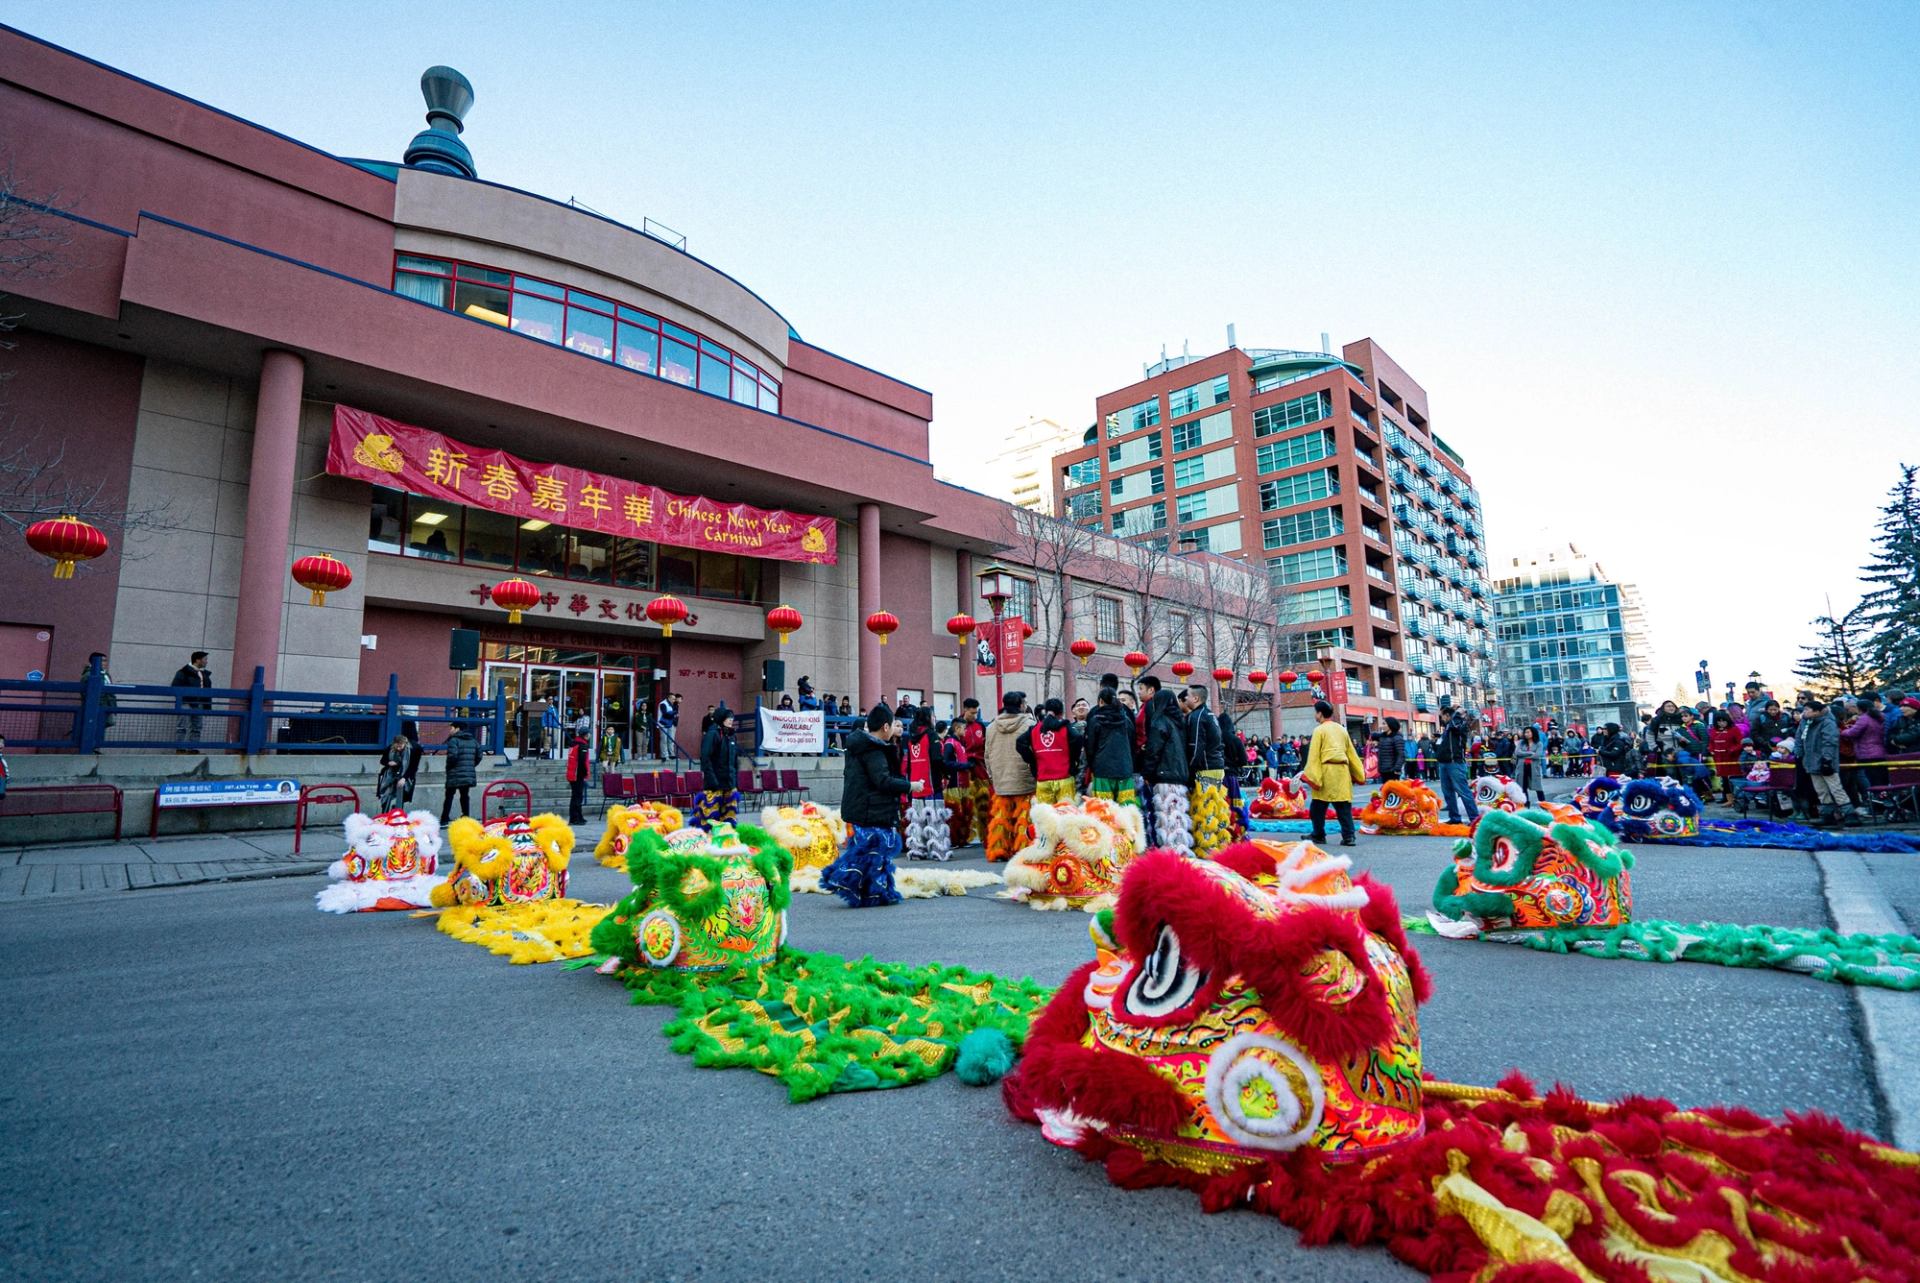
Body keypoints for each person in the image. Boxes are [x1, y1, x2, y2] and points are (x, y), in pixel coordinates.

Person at [820, 702, 911, 907]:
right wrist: (910, 786)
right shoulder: (873, 750)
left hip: (863, 807)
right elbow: (883, 781)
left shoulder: (858, 745)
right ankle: (845, 880)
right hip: (871, 808)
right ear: (886, 727)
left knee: (873, 854)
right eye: (894, 725)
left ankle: (876, 893)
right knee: (874, 852)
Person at [1302, 700, 1366, 847]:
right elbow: (1351, 753)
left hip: (1326, 772)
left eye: (1316, 712)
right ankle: (1349, 837)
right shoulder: (1342, 729)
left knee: (1317, 808)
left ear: (1320, 713)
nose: (1315, 715)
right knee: (1343, 807)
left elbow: (1314, 756)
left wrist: (1312, 776)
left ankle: (1318, 835)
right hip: (1342, 772)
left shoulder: (1319, 730)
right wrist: (1358, 772)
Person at [1140, 679, 1192, 857]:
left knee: (1166, 821)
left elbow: (1154, 750)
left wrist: (1147, 772)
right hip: (1180, 777)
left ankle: (1170, 858)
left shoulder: (1159, 722)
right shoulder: (1179, 723)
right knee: (1178, 820)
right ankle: (1182, 854)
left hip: (1164, 777)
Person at [983, 692, 1037, 862]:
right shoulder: (1029, 724)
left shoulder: (991, 727)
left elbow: (987, 755)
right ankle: (1023, 850)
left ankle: (998, 850)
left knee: (1000, 817)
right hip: (1024, 778)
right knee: (1024, 817)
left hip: (1001, 778)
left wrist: (992, 774)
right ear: (1021, 705)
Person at [1182, 685, 1229, 856]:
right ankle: (1220, 846)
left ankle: (1207, 850)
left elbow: (1196, 747)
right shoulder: (1210, 715)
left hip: (1205, 769)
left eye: (1187, 696)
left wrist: (1190, 770)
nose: (1185, 699)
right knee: (1217, 809)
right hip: (1217, 767)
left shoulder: (1197, 716)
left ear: (1195, 699)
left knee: (1204, 810)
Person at [902, 706, 951, 861]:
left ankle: (917, 850)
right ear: (928, 718)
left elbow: (909, 761)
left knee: (917, 819)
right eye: (933, 716)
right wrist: (946, 772)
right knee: (934, 817)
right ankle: (938, 850)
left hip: (916, 783)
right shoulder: (931, 735)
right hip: (931, 782)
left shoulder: (911, 737)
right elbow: (937, 759)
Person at [1016, 696, 1082, 808]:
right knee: (1066, 815)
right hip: (1064, 779)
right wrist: (1073, 759)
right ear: (1061, 713)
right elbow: (1078, 739)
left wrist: (1033, 761)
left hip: (1043, 780)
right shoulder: (1066, 728)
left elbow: (1019, 743)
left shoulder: (1034, 729)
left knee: (1046, 818)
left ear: (1046, 711)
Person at [1797, 698, 1848, 826]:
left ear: (1817, 712)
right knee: (1821, 790)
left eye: (1808, 710)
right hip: (1810, 760)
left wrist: (1827, 759)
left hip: (1826, 760)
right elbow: (1799, 737)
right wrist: (1798, 753)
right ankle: (1827, 814)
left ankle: (1849, 813)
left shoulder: (1827, 722)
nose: (1805, 712)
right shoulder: (1805, 722)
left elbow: (1829, 741)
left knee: (1835, 787)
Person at [1084, 685, 1138, 805]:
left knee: (1104, 810)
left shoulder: (1095, 720)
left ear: (1100, 701)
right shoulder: (1126, 720)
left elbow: (1090, 748)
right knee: (1126, 810)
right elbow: (1133, 745)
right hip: (1125, 769)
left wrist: (1092, 767)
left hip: (1102, 770)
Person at [1433, 707, 1480, 826]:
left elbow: (1457, 726)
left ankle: (1475, 819)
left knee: (1463, 791)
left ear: (1448, 715)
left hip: (1455, 762)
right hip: (1444, 762)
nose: (1441, 718)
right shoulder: (1448, 727)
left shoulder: (1458, 723)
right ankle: (1454, 818)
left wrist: (1457, 714)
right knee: (1448, 792)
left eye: (1442, 716)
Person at [697, 704, 739, 826]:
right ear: (721, 719)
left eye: (732, 718)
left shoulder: (731, 736)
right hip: (715, 783)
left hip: (729, 783)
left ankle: (727, 839)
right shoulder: (713, 734)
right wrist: (712, 780)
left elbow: (735, 760)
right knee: (711, 816)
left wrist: (736, 780)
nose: (731, 720)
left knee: (729, 816)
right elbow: (705, 758)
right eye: (729, 718)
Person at [956, 698, 989, 844]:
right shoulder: (958, 726)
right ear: (965, 710)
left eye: (976, 713)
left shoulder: (980, 726)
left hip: (980, 768)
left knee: (984, 801)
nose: (974, 716)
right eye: (972, 713)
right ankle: (967, 835)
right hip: (965, 769)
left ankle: (984, 834)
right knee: (966, 802)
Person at [940, 718, 976, 847]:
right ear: (957, 729)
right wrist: (964, 765)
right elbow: (946, 763)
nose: (966, 731)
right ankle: (955, 840)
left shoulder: (959, 742)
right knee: (955, 813)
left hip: (964, 783)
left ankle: (963, 839)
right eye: (964, 728)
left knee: (966, 812)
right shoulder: (950, 743)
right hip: (955, 784)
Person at [169, 650, 213, 750]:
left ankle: (193, 749)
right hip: (186, 703)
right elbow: (175, 687)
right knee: (181, 727)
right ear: (198, 660)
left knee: (197, 727)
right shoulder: (183, 672)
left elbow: (207, 691)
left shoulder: (203, 674)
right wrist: (186, 699)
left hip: (199, 703)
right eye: (205, 659)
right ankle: (180, 749)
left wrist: (206, 705)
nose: (206, 662)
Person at [439, 721, 480, 822]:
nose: (450, 730)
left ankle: (444, 818)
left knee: (449, 796)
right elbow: (479, 756)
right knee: (464, 795)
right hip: (467, 773)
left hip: (454, 772)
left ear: (457, 729)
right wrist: (470, 765)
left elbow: (452, 756)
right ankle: (466, 816)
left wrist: (449, 767)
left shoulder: (454, 740)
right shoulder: (473, 740)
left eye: (452, 728)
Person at [1707, 711, 1744, 805]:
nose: (1721, 723)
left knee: (1733, 778)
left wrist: (1732, 750)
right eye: (1719, 721)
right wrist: (1711, 750)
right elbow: (1711, 742)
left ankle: (1737, 798)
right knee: (1724, 779)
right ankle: (1729, 799)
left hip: (1731, 758)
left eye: (1723, 721)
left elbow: (1741, 743)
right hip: (1719, 758)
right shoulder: (1713, 730)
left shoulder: (1734, 729)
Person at [1513, 725, 1547, 803]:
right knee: (1523, 787)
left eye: (1528, 732)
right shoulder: (1521, 742)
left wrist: (1524, 754)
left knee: (1538, 788)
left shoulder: (1539, 743)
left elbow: (1537, 755)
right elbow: (1517, 752)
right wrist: (1530, 753)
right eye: (1525, 732)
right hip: (1522, 767)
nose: (1526, 734)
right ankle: (1526, 805)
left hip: (1533, 768)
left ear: (1533, 733)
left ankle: (1544, 805)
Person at [565, 729, 592, 824]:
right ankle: (575, 818)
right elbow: (582, 762)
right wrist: (585, 774)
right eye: (589, 734)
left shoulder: (574, 743)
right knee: (577, 797)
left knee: (576, 796)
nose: (590, 735)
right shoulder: (582, 745)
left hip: (572, 773)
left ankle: (578, 817)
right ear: (585, 735)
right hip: (577, 774)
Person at [1374, 718, 1407, 783]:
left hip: (1392, 771)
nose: (1381, 726)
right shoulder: (1382, 736)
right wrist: (1366, 723)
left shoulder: (1397, 737)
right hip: (1383, 769)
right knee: (1385, 791)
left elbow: (1401, 755)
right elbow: (1369, 736)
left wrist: (1397, 769)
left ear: (1390, 725)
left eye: (1384, 724)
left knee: (1393, 791)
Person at [655, 691, 681, 759]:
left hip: (670, 724)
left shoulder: (671, 704)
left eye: (674, 699)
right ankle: (664, 755)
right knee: (664, 740)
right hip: (663, 725)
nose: (674, 700)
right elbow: (665, 714)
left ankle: (671, 754)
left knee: (670, 739)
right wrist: (674, 713)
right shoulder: (663, 704)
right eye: (673, 699)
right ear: (669, 698)